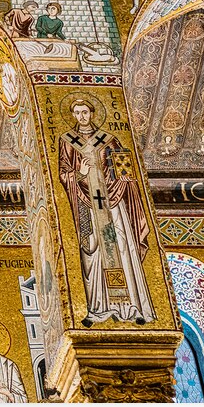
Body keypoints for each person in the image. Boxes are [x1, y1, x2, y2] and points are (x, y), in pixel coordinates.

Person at [58, 98, 156, 327]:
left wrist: (120, 179)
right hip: (86, 202)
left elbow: (124, 170)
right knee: (91, 251)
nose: (81, 116)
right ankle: (98, 308)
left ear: (92, 113)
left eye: (84, 111)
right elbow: (64, 172)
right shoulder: (67, 141)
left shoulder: (109, 140)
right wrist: (78, 173)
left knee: (123, 248)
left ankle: (132, 306)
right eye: (77, 112)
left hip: (114, 203)